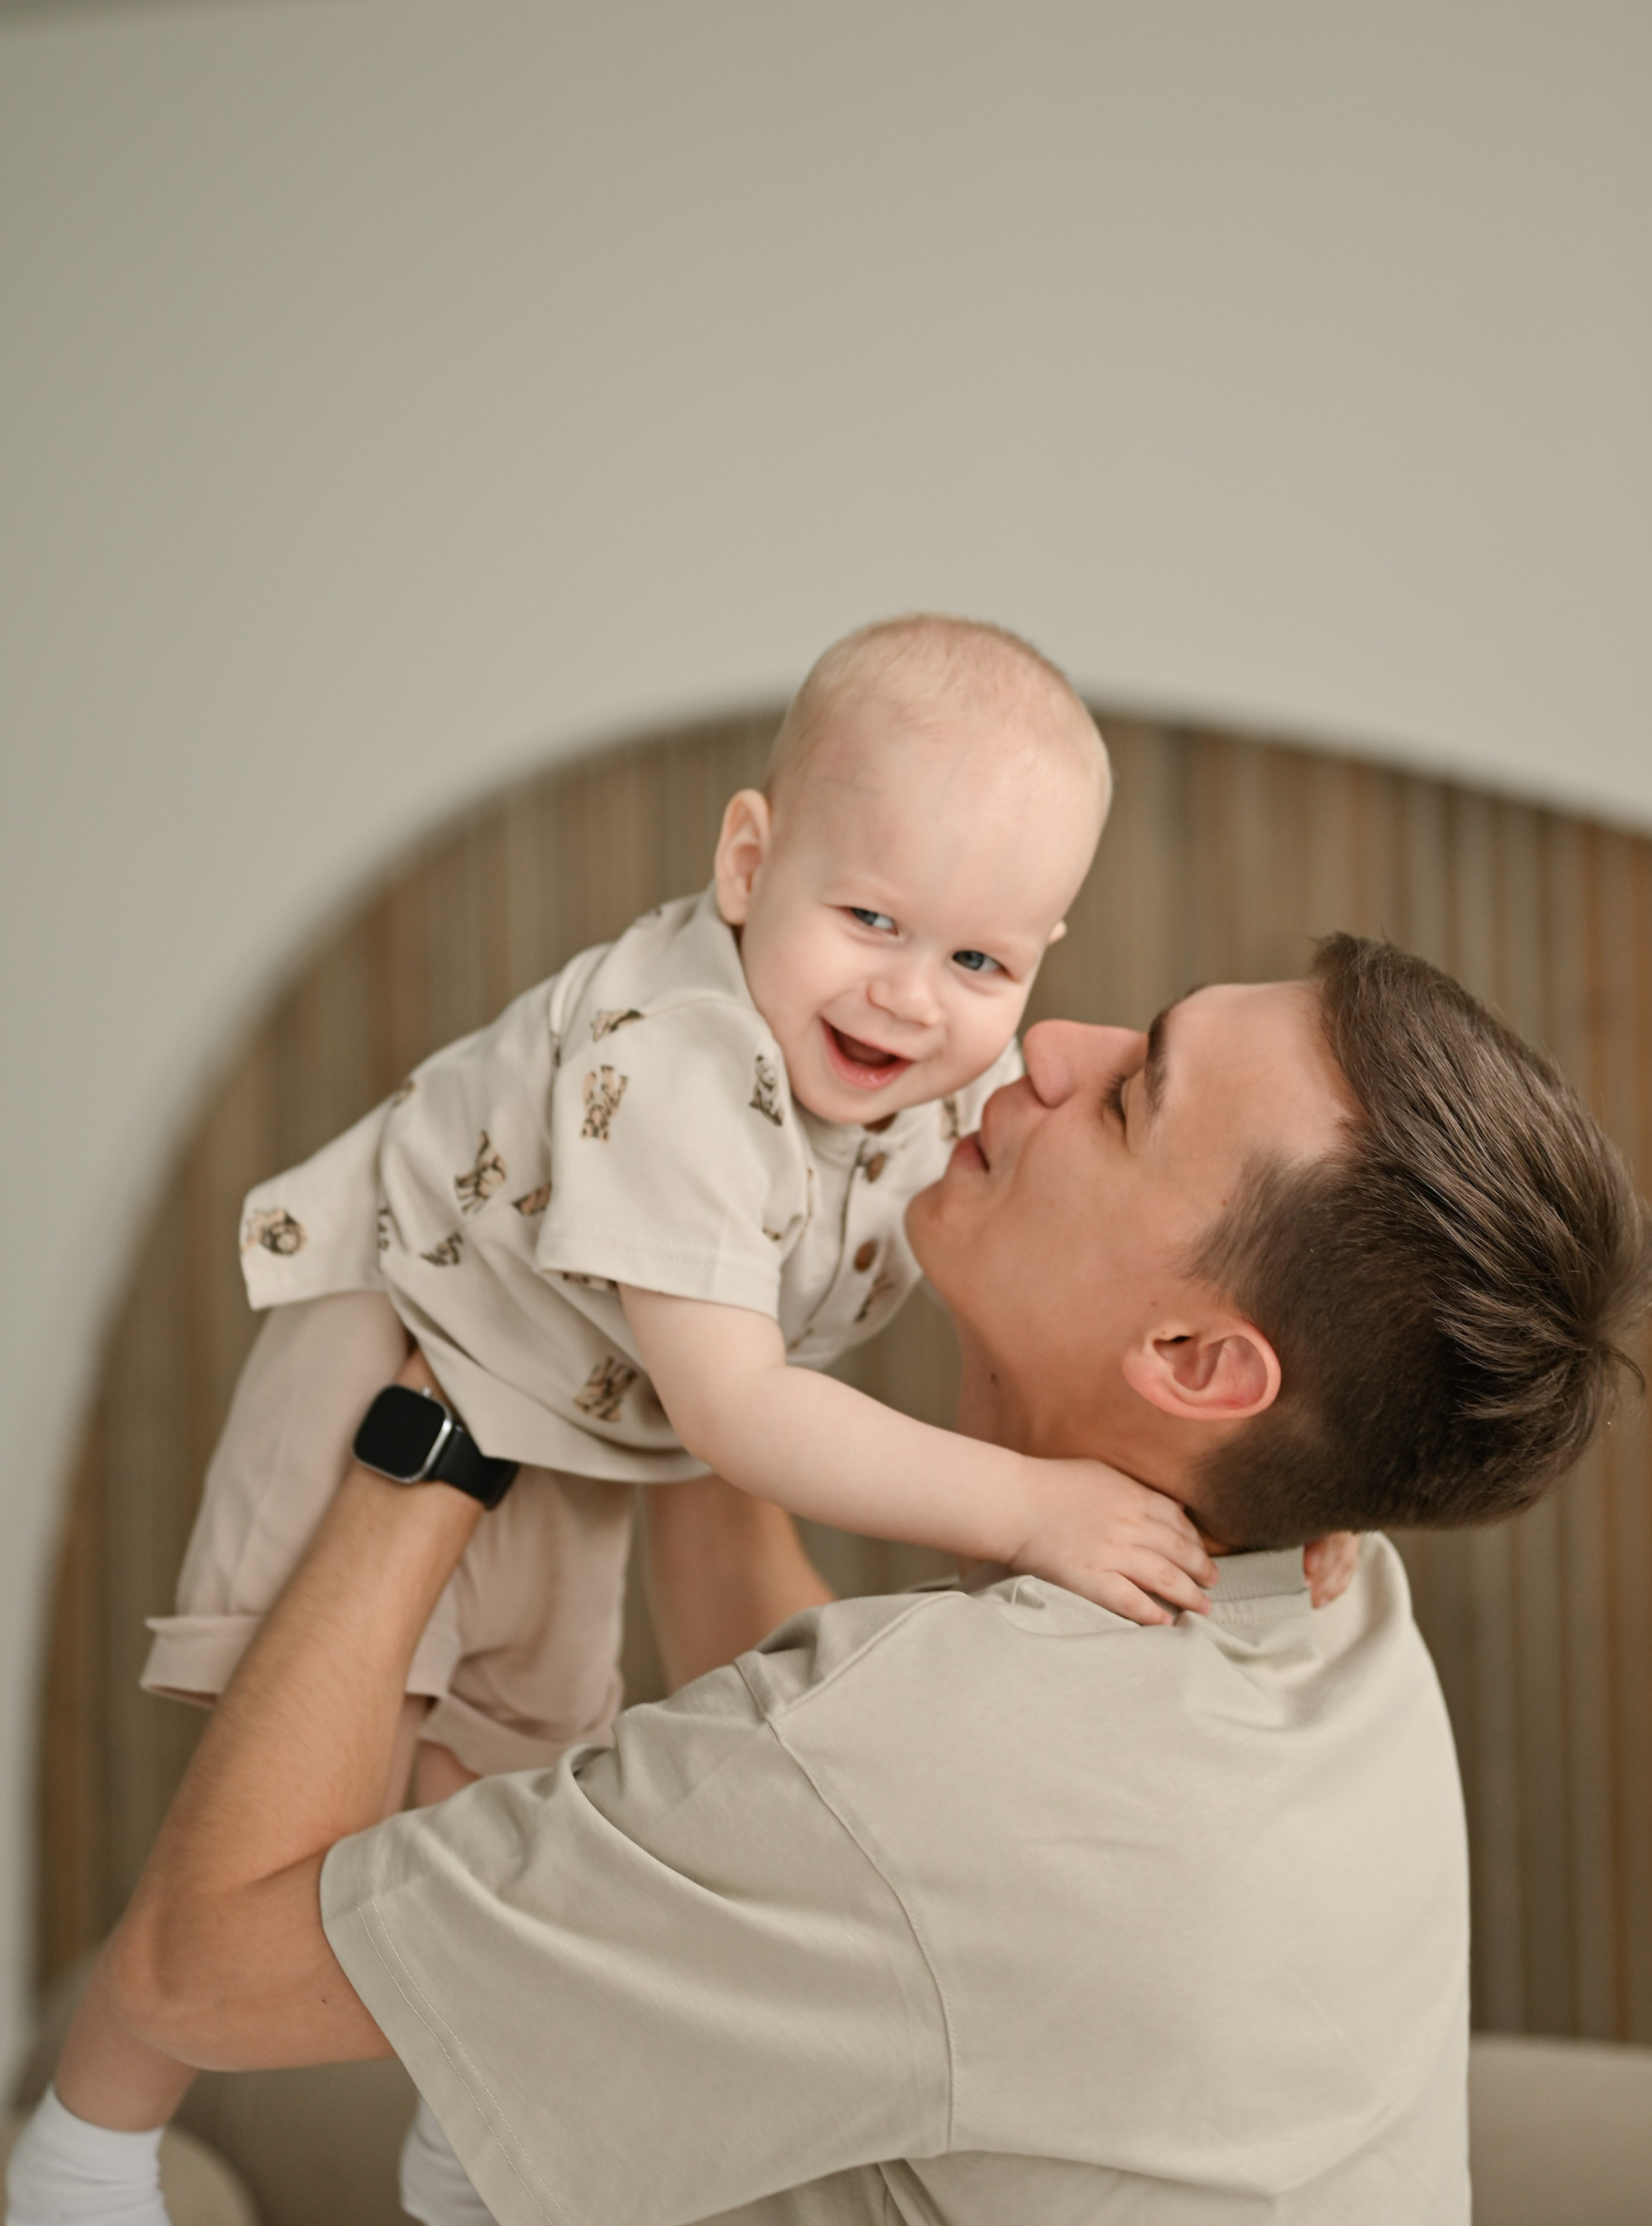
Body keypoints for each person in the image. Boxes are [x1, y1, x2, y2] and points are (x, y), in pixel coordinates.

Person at [16, 934, 1646, 2224]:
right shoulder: (1337, 1590)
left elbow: (197, 1971)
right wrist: (701, 1300)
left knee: (121, 2011)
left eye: (1130, 1095)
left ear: (1198, 1360)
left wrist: (456, 1398)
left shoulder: (941, 1766)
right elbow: (842, 1814)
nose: (1046, 1045)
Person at [15, 617, 1247, 2226]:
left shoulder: (946, 1069)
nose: (909, 995)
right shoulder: (672, 1064)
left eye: (978, 960)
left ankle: (475, 2124)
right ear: (747, 860)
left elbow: (1040, 1282)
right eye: (868, 915)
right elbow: (735, 1410)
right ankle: (86, 2142)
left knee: (499, 1796)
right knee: (299, 1803)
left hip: (572, 1422)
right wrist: (1030, 1507)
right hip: (409, 1337)